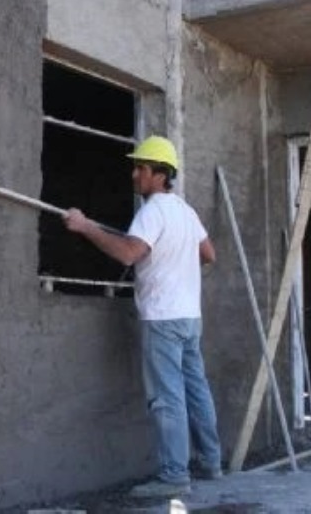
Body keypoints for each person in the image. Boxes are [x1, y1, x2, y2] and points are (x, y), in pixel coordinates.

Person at [63, 135, 222, 499]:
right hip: (189, 317)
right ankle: (212, 462)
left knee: (167, 398)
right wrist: (174, 259)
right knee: (196, 390)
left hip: (163, 319)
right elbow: (208, 253)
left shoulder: (152, 212)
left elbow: (128, 254)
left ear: (160, 174)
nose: (135, 175)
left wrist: (86, 226)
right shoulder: (184, 210)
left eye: (141, 168)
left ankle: (174, 476)